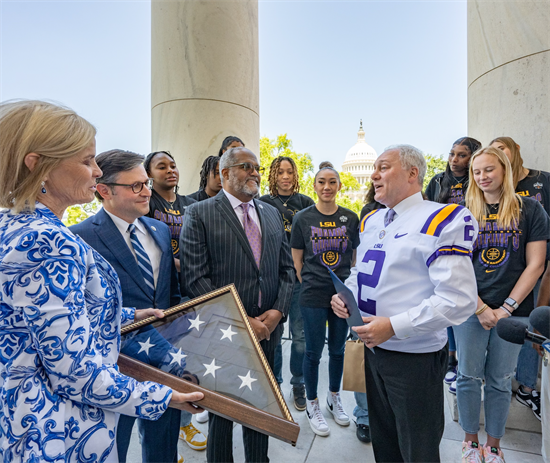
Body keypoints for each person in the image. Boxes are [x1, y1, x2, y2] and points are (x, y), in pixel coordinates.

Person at [0, 100, 202, 463]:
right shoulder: (48, 241)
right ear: (38, 165)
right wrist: (161, 396)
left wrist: (128, 315)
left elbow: (45, 318)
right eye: (86, 160)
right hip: (55, 433)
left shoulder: (13, 225)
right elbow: (74, 372)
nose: (97, 172)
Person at [331, 144, 478, 463]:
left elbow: (459, 300)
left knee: (417, 449)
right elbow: (362, 270)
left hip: (414, 359)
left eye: (384, 167)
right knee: (385, 441)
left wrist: (395, 326)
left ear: (413, 173)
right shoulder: (373, 219)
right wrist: (346, 296)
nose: (374, 174)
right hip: (372, 351)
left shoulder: (444, 217)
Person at [70, 149, 203, 463]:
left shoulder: (158, 229)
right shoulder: (80, 237)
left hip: (167, 361)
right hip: (118, 368)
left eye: (146, 183)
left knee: (162, 447)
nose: (148, 191)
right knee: (116, 444)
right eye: (136, 186)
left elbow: (169, 296)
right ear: (105, 190)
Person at [179, 146, 295, 463]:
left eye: (257, 167)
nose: (255, 172)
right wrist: (242, 321)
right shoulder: (200, 213)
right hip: (224, 335)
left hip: (267, 333)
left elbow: (287, 270)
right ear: (225, 172)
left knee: (260, 407)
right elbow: (194, 279)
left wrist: (277, 313)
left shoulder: (271, 213)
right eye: (247, 166)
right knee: (224, 412)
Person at [455, 146, 549, 463]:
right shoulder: (462, 212)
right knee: (468, 376)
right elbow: (455, 265)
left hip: (514, 313)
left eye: (488, 170)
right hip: (470, 309)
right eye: (476, 171)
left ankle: (493, 446)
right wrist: (480, 307)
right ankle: (470, 442)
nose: (482, 177)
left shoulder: (531, 211)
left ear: (505, 171)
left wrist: (505, 309)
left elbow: (535, 265)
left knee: (500, 380)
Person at [290, 162, 360, 437]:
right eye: (321, 182)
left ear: (340, 186)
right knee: (312, 351)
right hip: (313, 293)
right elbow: (297, 258)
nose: (327, 187)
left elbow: (352, 257)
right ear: (315, 185)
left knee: (338, 350)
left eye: (332, 182)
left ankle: (333, 397)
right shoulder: (303, 218)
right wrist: (309, 280)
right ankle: (312, 404)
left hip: (341, 293)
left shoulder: (350, 218)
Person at [490, 136, 550, 421]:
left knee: (533, 326)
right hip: (506, 269)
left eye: (501, 149)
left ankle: (527, 386)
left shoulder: (542, 181)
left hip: (538, 266)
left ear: (514, 152)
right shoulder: (498, 188)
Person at [425, 136, 482, 394]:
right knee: (445, 302)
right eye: (452, 154)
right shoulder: (437, 182)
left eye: (462, 155)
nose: (454, 160)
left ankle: (464, 361)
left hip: (474, 251)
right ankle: (449, 357)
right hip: (441, 250)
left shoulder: (477, 183)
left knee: (463, 303)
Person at [259, 156, 314, 411]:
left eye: (289, 172)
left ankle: (298, 383)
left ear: (295, 175)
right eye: (280, 172)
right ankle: (275, 384)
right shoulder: (262, 204)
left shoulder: (305, 204)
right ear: (272, 175)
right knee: (275, 334)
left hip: (300, 280)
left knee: (300, 336)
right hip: (275, 280)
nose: (285, 176)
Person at [144, 151, 196, 274]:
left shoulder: (193, 205)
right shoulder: (145, 202)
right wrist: (183, 267)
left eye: (173, 166)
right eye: (162, 167)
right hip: (161, 276)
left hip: (191, 277)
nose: (170, 170)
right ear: (149, 174)